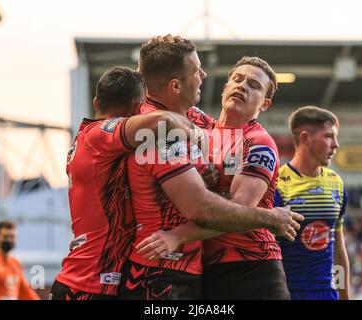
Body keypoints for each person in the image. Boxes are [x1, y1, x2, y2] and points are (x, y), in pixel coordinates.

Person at [118, 36, 303, 300]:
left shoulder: (259, 142)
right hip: (207, 270)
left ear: (264, 105)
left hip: (252, 269)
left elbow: (240, 208)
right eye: (238, 80)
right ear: (225, 88)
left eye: (254, 85)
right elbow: (162, 94)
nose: (242, 87)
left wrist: (178, 235)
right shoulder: (200, 126)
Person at [51, 66, 199, 300]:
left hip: (90, 283)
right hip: (87, 286)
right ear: (140, 109)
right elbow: (165, 121)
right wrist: (199, 134)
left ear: (96, 101)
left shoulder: (90, 141)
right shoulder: (100, 135)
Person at [274, 105, 350, 300]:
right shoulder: (277, 184)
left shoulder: (336, 183)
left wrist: (343, 295)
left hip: (326, 293)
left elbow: (337, 249)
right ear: (305, 138)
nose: (336, 144)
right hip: (288, 292)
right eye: (329, 136)